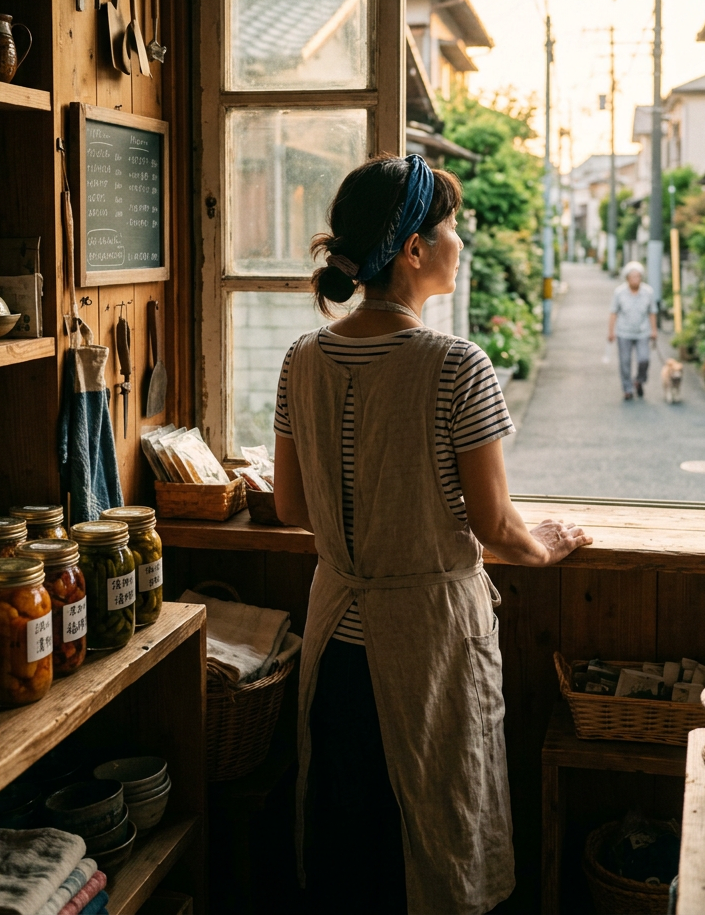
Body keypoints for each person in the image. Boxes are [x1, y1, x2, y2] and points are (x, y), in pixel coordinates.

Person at [273, 154, 591, 915]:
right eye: (448, 228)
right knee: (438, 845)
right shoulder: (455, 365)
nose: (459, 243)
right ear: (413, 250)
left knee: (354, 852)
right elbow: (498, 528)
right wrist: (547, 541)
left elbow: (291, 503)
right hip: (428, 644)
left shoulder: (301, 358)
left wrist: (378, 532)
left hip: (335, 634)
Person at [608, 260, 658, 400]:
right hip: (624, 332)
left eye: (638, 277)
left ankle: (639, 381)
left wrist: (654, 330)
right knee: (625, 361)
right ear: (627, 278)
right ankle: (627, 389)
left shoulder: (648, 292)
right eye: (633, 277)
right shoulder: (619, 292)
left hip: (643, 332)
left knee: (644, 359)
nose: (636, 279)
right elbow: (613, 312)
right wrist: (611, 332)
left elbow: (652, 312)